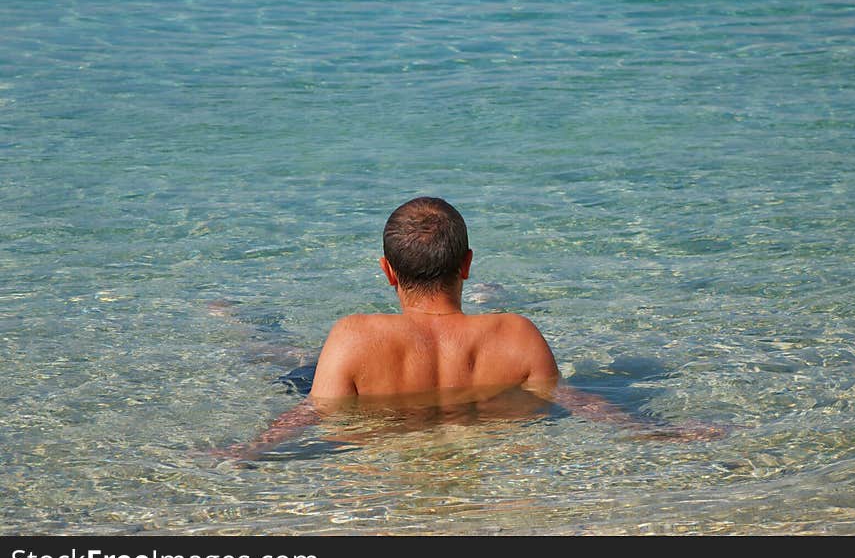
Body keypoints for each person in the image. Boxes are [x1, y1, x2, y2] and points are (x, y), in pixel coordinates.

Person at [222, 196, 721, 458]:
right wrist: (658, 433)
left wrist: (246, 450)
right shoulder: (518, 335)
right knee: (289, 358)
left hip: (381, 431)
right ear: (466, 264)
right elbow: (579, 402)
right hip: (479, 402)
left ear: (387, 272)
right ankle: (486, 300)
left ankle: (242, 323)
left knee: (282, 358)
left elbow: (312, 412)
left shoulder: (354, 335)